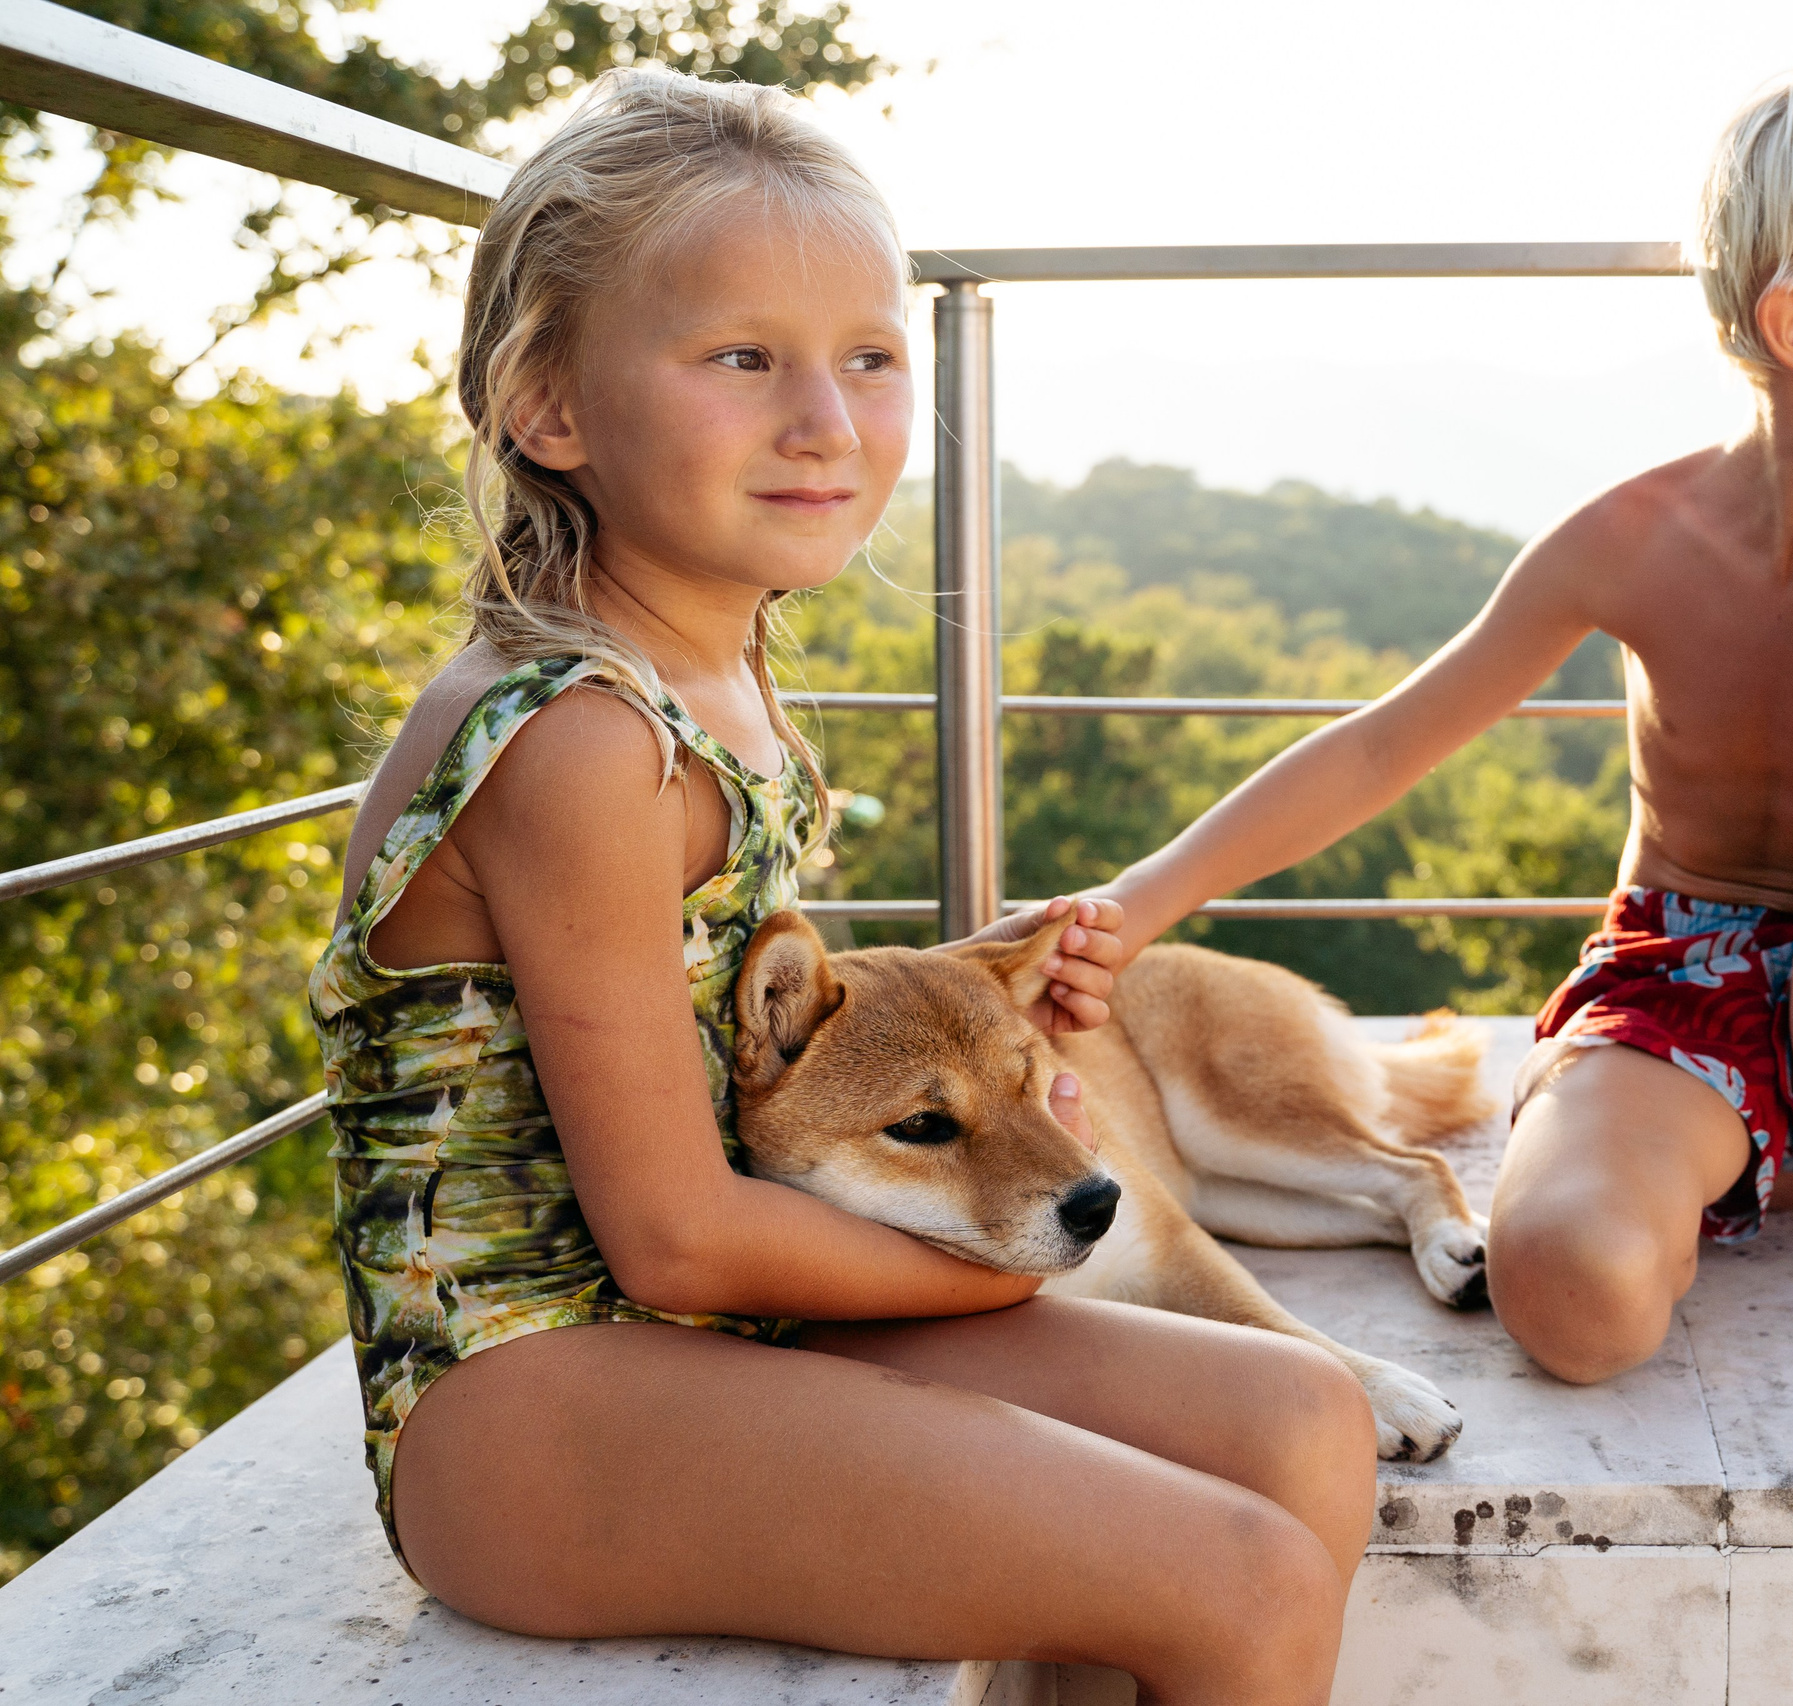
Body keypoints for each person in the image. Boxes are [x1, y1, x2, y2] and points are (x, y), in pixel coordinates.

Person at [312, 70, 1368, 1704]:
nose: (827, 418)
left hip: (700, 1339)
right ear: (550, 407)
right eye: (743, 357)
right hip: (533, 1396)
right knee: (1240, 1580)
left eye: (871, 357)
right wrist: (1020, 1244)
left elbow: (727, 1016)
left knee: (1306, 1421)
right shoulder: (582, 739)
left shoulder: (714, 670)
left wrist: (989, 982)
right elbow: (670, 1236)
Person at [1094, 60, 1793, 1387]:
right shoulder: (1633, 536)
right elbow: (1385, 742)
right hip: (1670, 988)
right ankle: (1716, 1157)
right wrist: (1136, 900)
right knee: (1575, 1302)